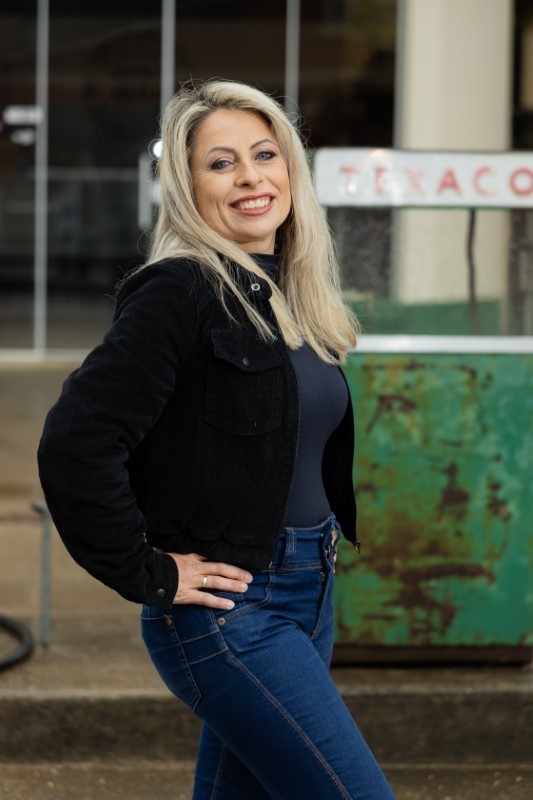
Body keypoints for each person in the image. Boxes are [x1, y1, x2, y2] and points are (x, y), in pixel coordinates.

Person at [37, 79, 396, 800]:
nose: (251, 178)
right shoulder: (180, 290)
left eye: (265, 154)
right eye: (221, 163)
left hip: (309, 592)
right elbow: (76, 443)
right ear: (188, 187)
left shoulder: (288, 291)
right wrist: (147, 571)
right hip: (233, 614)